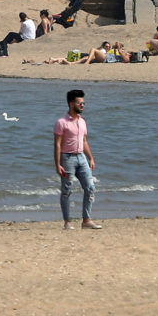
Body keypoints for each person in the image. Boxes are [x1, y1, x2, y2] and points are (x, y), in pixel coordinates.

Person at [54, 89, 99, 230]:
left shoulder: (83, 122)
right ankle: (67, 222)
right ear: (71, 103)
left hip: (81, 158)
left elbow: (84, 141)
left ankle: (86, 220)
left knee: (90, 188)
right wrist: (57, 164)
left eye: (83, 103)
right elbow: (57, 144)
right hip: (67, 158)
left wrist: (90, 157)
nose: (83, 105)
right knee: (67, 190)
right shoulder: (61, 122)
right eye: (80, 103)